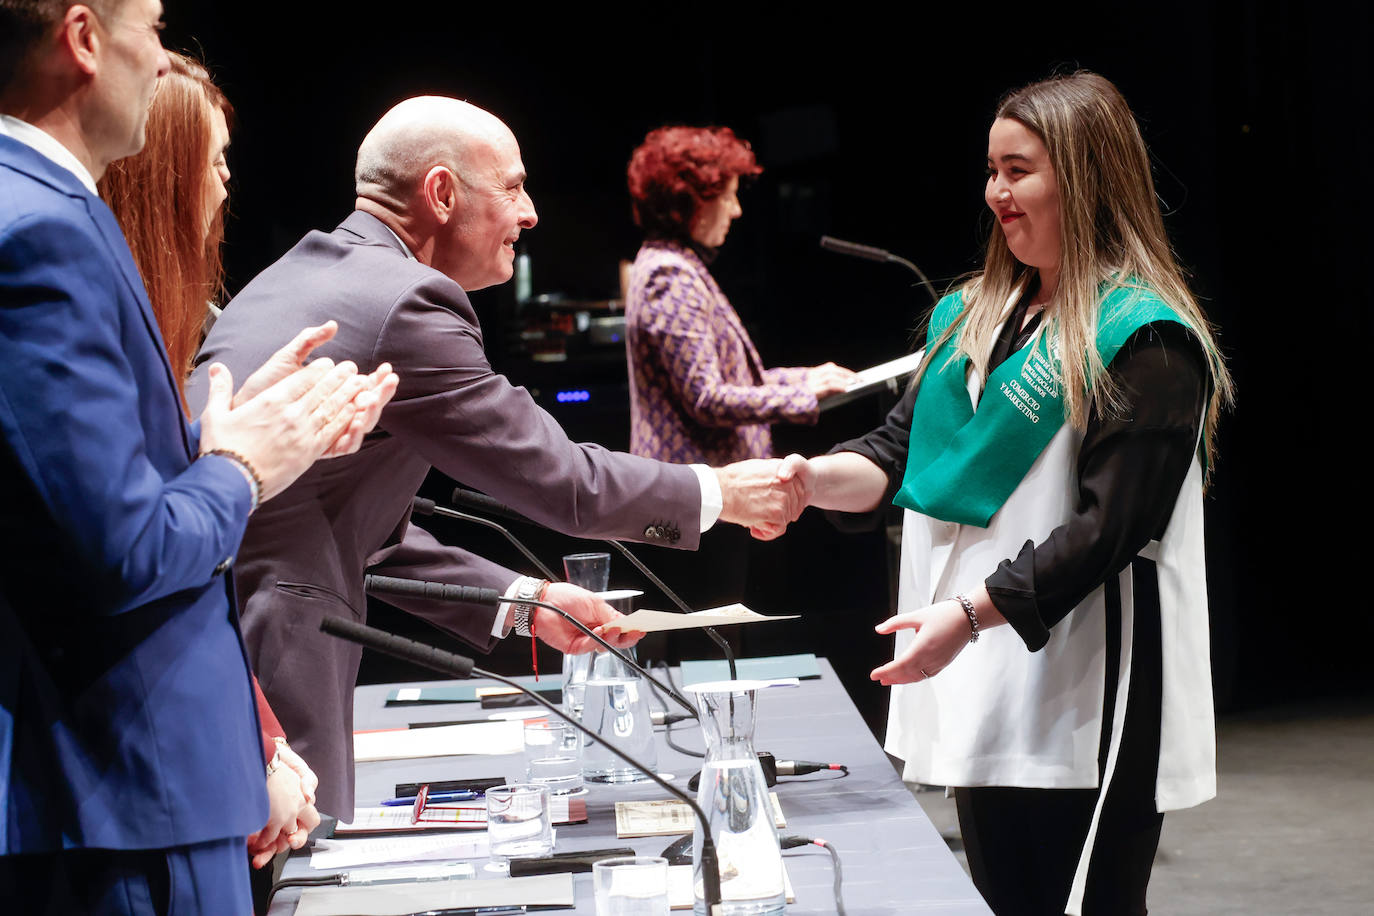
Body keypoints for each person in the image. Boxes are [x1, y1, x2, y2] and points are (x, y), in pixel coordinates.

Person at [188, 96, 808, 819]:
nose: (532, 212)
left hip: (205, 631)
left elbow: (343, 526)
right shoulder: (408, 302)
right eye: (512, 187)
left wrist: (527, 603)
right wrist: (723, 493)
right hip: (265, 651)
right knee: (291, 884)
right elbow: (564, 482)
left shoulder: (300, 274)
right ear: (442, 193)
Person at [773, 72, 1233, 915]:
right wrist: (804, 484)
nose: (996, 194)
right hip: (979, 679)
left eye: (1018, 170)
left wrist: (970, 615)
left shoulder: (1147, 336)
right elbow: (894, 455)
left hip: (1087, 699)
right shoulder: (973, 316)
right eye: (990, 171)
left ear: (1085, 176)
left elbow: (1109, 531)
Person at [0, 1, 394, 910]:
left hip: (141, 791)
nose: (162, 53)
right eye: (153, 24)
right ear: (85, 39)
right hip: (127, 796)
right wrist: (243, 467)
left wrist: (224, 443)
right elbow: (123, 552)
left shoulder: (51, 214)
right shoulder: (41, 229)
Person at [98, 50, 323, 873]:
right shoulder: (101, 337)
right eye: (214, 161)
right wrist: (253, 756)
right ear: (160, 174)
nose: (227, 185)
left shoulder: (186, 327)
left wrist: (262, 744)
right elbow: (142, 577)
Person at [624, 125, 856, 467]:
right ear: (690, 202)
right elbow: (707, 397)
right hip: (690, 499)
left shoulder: (675, 264)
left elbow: (732, 381)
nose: (736, 210)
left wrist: (805, 378)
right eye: (728, 197)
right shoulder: (668, 275)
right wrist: (800, 395)